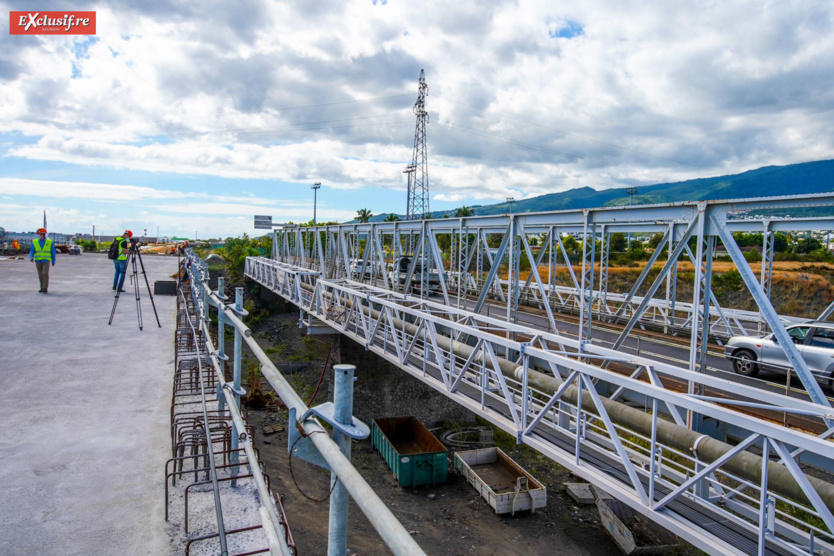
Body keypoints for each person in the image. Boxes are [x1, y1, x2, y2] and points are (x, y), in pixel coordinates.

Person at [30, 228, 55, 293]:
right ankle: (41, 287)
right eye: (38, 234)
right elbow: (32, 250)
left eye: (40, 234)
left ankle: (45, 287)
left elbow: (53, 251)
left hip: (46, 260)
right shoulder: (34, 241)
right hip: (38, 260)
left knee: (45, 273)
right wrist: (31, 257)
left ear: (44, 234)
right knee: (40, 274)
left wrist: (53, 261)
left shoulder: (49, 242)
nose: (39, 235)